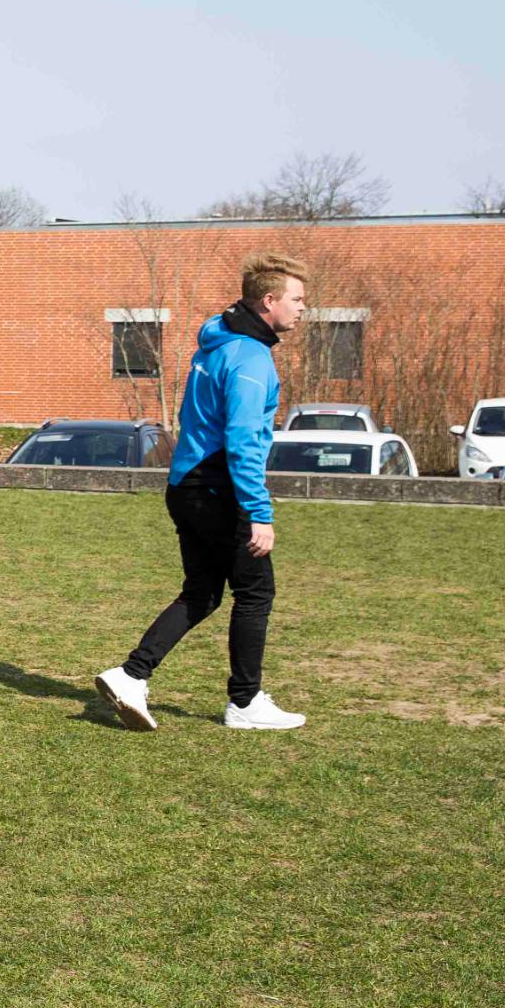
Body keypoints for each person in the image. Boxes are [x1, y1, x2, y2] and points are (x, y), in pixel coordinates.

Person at [97, 253, 309, 732]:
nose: (302, 309)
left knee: (203, 592)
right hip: (219, 488)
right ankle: (245, 702)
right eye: (296, 300)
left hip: (186, 485)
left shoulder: (217, 343)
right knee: (255, 592)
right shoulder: (251, 358)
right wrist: (258, 512)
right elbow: (242, 441)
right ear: (269, 301)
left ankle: (131, 676)